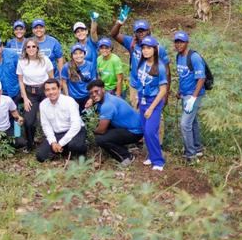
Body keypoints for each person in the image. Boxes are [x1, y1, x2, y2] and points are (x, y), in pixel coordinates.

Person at [110, 6, 170, 108]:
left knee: (155, 117)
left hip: (153, 87)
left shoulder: (158, 48)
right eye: (138, 31)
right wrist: (119, 22)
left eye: (143, 30)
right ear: (135, 33)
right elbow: (114, 34)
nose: (141, 33)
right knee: (139, 115)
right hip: (136, 87)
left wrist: (166, 94)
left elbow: (167, 72)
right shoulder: (132, 43)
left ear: (149, 31)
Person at [88, 79, 143, 166]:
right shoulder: (107, 97)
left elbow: (101, 130)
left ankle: (126, 156)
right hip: (130, 127)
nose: (94, 95)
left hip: (135, 132)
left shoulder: (107, 105)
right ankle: (121, 147)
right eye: (91, 93)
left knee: (100, 139)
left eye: (96, 91)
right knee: (102, 129)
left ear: (103, 89)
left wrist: (93, 132)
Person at [135, 36, 168, 171]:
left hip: (153, 102)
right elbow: (140, 82)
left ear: (154, 49)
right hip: (142, 100)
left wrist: (151, 108)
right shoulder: (142, 64)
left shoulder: (159, 66)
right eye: (143, 48)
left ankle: (159, 161)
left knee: (150, 131)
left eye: (148, 48)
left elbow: (163, 90)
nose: (145, 51)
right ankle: (152, 155)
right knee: (145, 130)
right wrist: (138, 98)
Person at [173, 31, 206, 162]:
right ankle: (198, 149)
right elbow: (184, 76)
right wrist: (180, 91)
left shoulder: (194, 57)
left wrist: (193, 97)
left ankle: (190, 155)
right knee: (192, 122)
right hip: (185, 94)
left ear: (187, 43)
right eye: (176, 42)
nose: (178, 44)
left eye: (181, 42)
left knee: (185, 124)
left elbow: (201, 78)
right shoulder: (178, 57)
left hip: (194, 96)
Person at [36, 79, 87, 162]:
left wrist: (60, 143)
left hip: (75, 131)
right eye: (48, 90)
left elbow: (76, 125)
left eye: (53, 88)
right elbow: (46, 125)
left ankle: (78, 147)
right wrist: (53, 142)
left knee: (75, 146)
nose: (51, 92)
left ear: (59, 89)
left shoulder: (69, 101)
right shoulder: (43, 105)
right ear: (45, 92)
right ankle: (64, 149)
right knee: (41, 156)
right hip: (58, 133)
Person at [17, 38, 54, 151]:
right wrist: (25, 98)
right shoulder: (22, 62)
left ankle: (51, 142)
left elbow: (51, 78)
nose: (31, 49)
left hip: (45, 92)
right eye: (28, 47)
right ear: (25, 49)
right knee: (28, 121)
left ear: (37, 48)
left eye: (34, 46)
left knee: (50, 117)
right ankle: (30, 144)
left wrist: (52, 94)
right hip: (30, 94)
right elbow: (20, 81)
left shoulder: (45, 60)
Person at [61, 44, 96, 113]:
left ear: (84, 54)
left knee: (89, 119)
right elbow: (64, 82)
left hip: (87, 96)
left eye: (80, 53)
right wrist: (68, 98)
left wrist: (91, 99)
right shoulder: (67, 66)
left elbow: (94, 83)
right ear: (72, 55)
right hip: (73, 98)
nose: (78, 56)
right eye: (75, 54)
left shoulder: (90, 65)